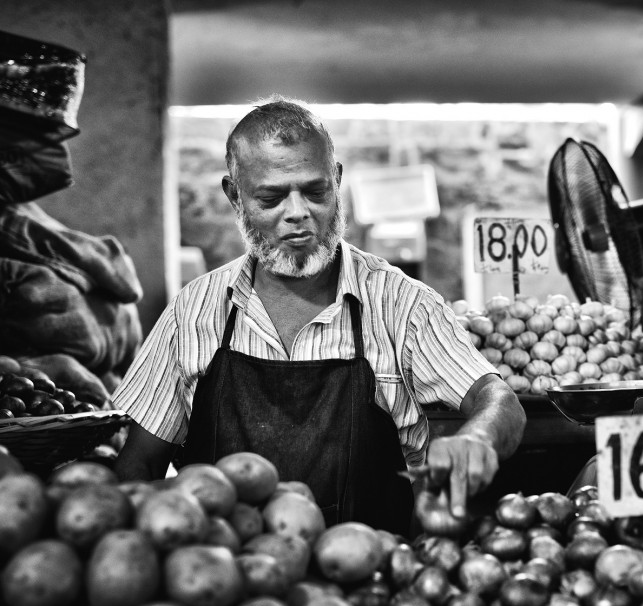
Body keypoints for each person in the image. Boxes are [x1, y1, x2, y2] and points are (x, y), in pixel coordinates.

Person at [112, 96, 526, 534]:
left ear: (337, 180)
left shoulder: (401, 305)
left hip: (372, 581)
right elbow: (139, 462)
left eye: (315, 191)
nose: (297, 214)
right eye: (271, 198)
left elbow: (500, 401)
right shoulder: (193, 313)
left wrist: (476, 438)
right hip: (225, 582)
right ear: (234, 196)